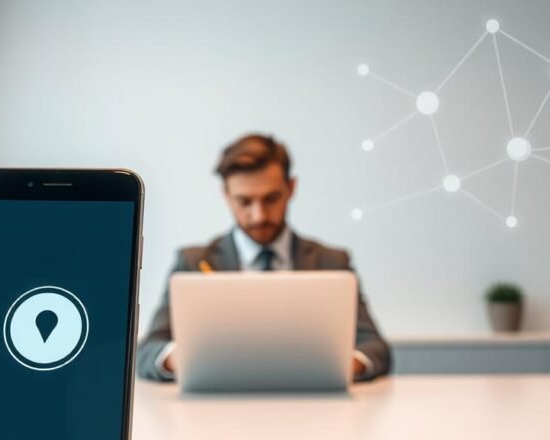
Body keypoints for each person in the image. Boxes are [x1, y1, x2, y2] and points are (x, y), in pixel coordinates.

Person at [137, 133, 391, 381]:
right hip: (216, 409)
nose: (259, 215)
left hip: (313, 405)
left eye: (271, 199)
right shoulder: (193, 262)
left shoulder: (333, 262)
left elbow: (376, 349)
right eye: (244, 201)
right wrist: (178, 358)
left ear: (291, 188)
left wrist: (347, 364)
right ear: (226, 195)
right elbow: (147, 352)